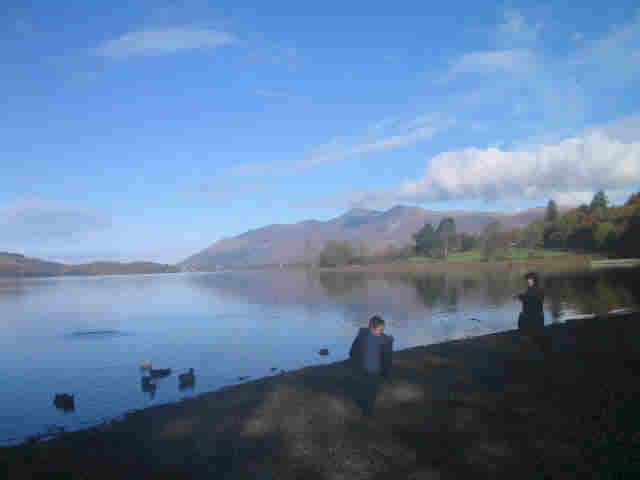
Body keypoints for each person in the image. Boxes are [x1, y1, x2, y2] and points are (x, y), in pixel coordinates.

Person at [349, 315, 394, 417]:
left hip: (372, 371)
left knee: (370, 390)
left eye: (383, 330)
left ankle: (368, 408)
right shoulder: (364, 337)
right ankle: (368, 411)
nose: (382, 331)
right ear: (372, 328)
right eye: (381, 329)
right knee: (369, 391)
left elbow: (387, 357)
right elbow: (352, 352)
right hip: (367, 370)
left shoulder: (381, 339)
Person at [515, 272, 548, 351]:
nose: (528, 281)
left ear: (534, 280)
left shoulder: (537, 290)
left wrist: (521, 297)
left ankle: (530, 343)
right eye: (528, 280)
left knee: (523, 318)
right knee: (522, 316)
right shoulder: (531, 289)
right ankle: (530, 341)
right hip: (533, 315)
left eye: (530, 280)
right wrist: (521, 296)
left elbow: (532, 300)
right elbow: (527, 298)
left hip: (534, 316)